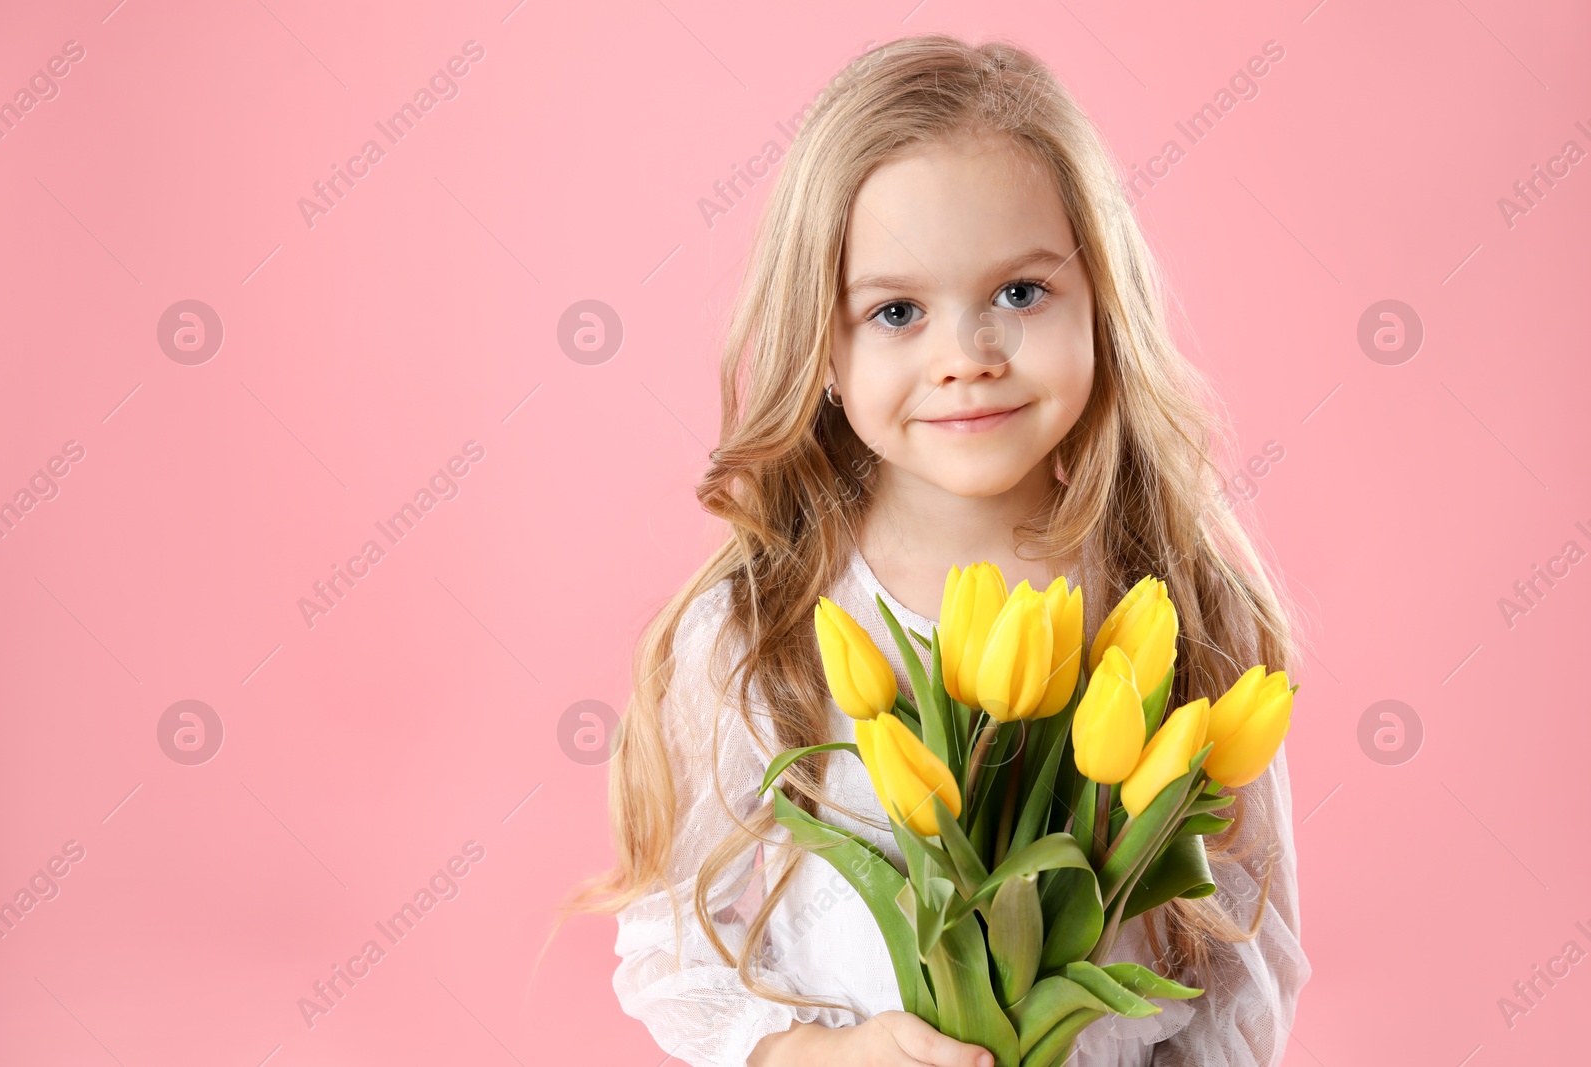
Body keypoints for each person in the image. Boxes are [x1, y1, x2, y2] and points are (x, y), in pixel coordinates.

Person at [561, 33, 1310, 1067]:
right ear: (821, 347)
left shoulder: (1175, 601)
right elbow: (664, 942)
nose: (966, 357)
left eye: (1019, 293)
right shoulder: (764, 628)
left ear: (1101, 298)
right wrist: (818, 1056)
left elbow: (1245, 957)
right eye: (897, 311)